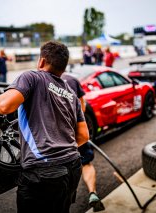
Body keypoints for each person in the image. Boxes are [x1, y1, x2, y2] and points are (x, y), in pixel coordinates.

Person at [0, 41, 89, 213]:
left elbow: (4, 106)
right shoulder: (71, 94)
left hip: (44, 170)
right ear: (63, 68)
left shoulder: (32, 77)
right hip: (73, 166)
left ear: (42, 61)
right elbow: (83, 135)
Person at [61, 73, 105, 212]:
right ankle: (93, 194)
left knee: (60, 167)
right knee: (85, 163)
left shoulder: (38, 79)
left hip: (52, 135)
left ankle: (63, 199)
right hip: (74, 130)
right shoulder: (72, 79)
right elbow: (82, 107)